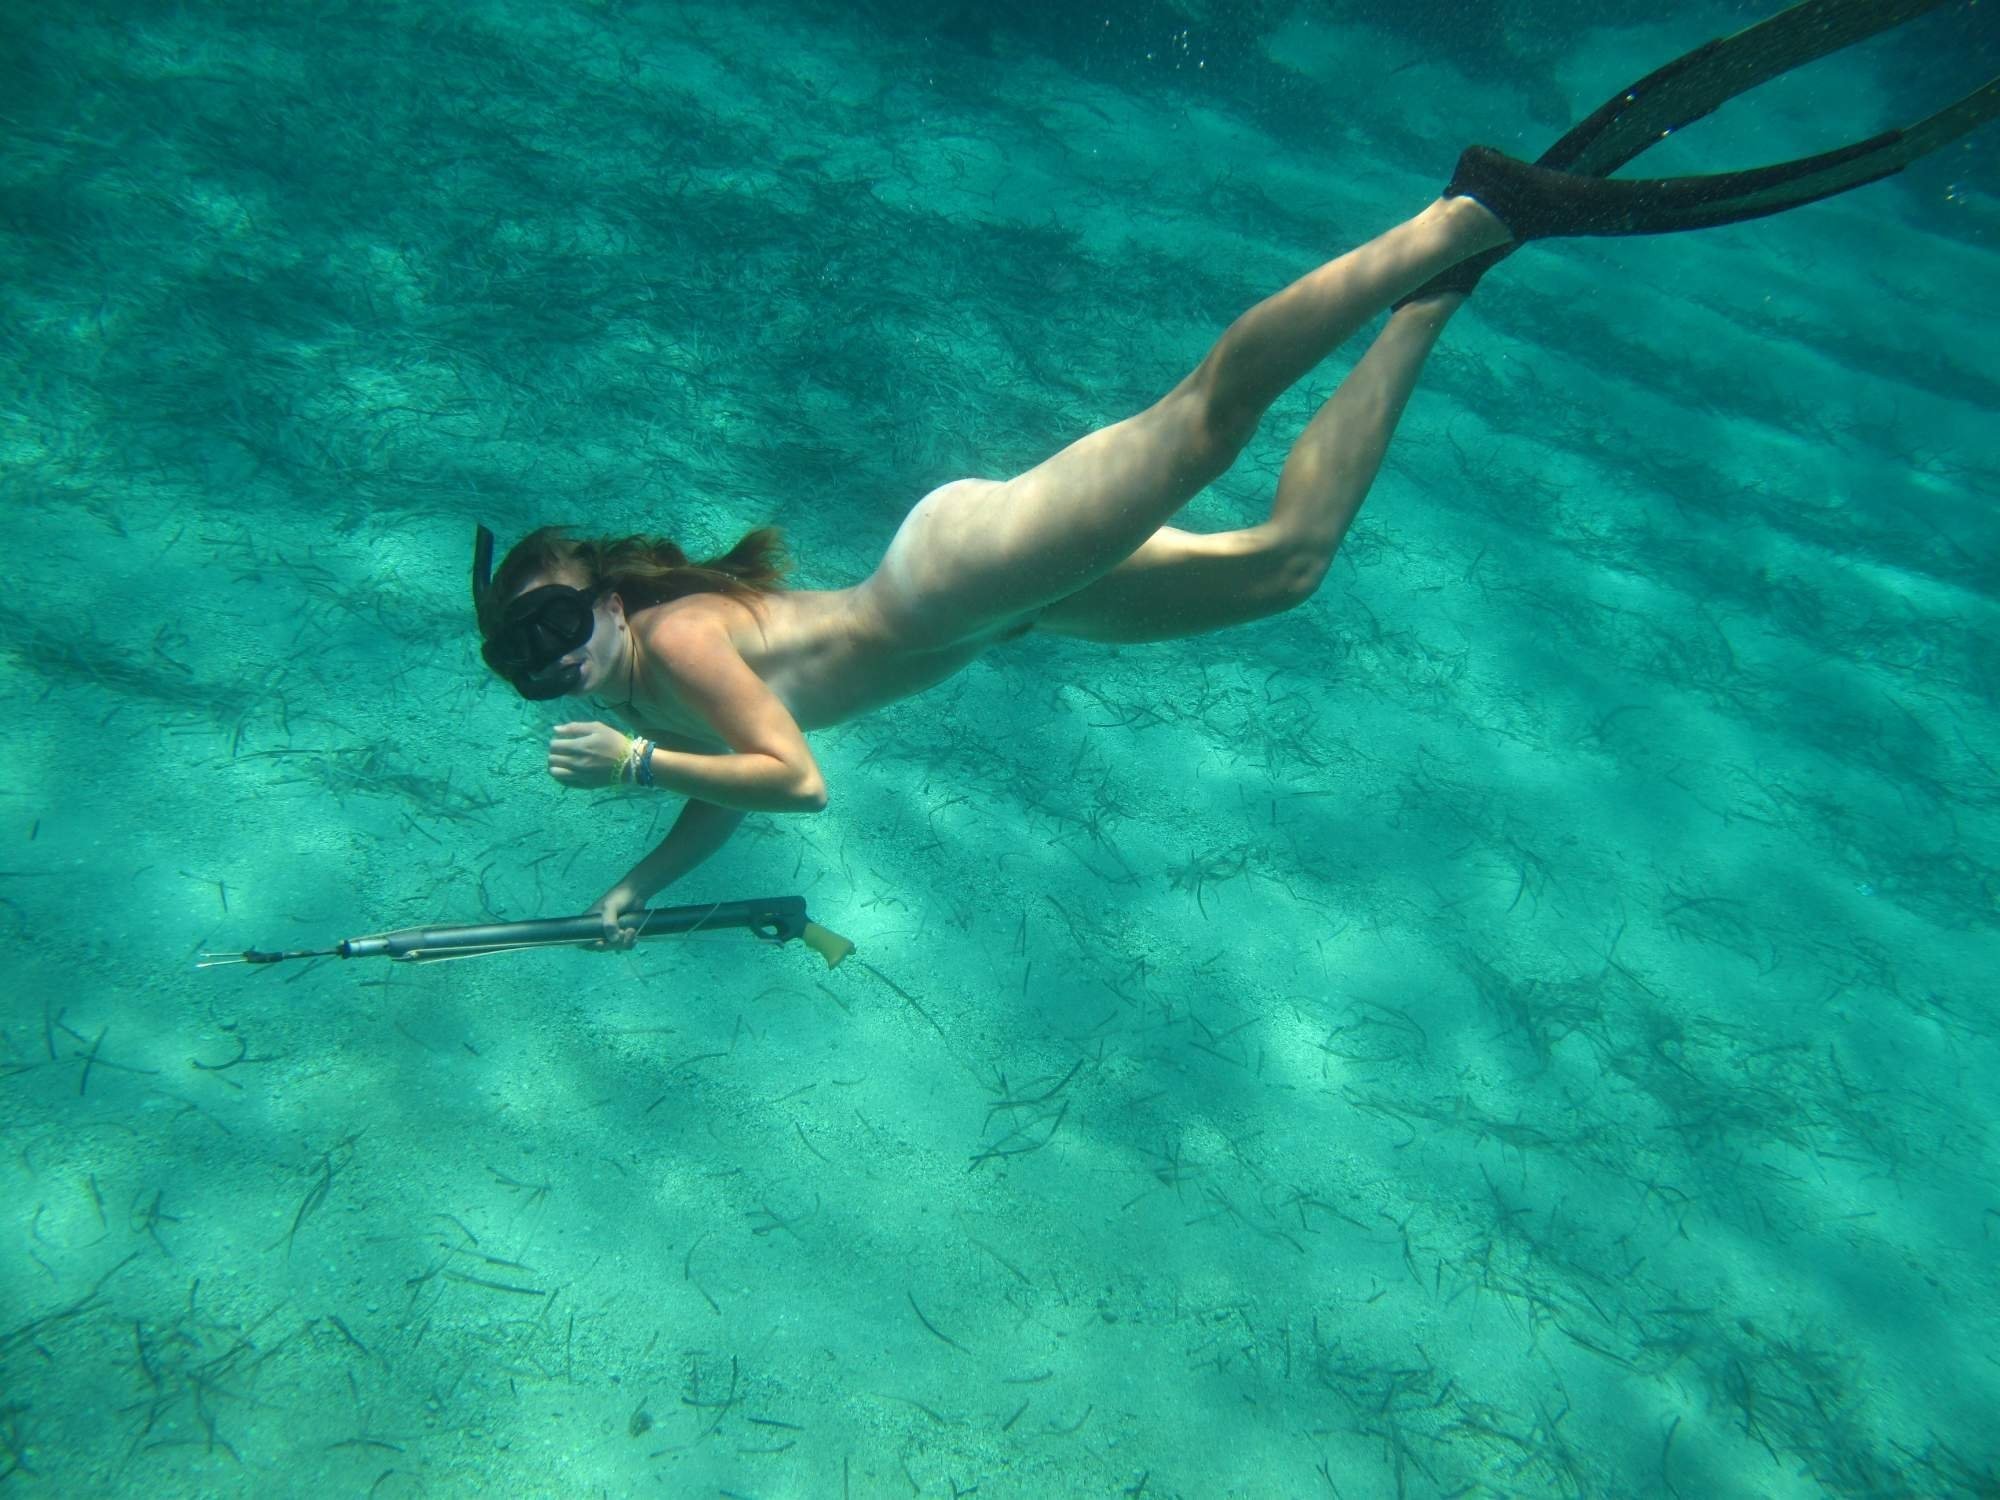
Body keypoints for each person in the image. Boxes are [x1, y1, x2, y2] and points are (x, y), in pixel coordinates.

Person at [470, 0, 1994, 945]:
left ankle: (1460, 216)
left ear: (606, 593)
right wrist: (640, 885)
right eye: (522, 661)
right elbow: (740, 784)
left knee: (1203, 421)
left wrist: (642, 772)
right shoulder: (643, 695)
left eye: (553, 626)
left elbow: (794, 778)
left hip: (955, 580)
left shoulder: (672, 650)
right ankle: (1450, 287)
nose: (552, 666)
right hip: (995, 613)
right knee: (1287, 567)